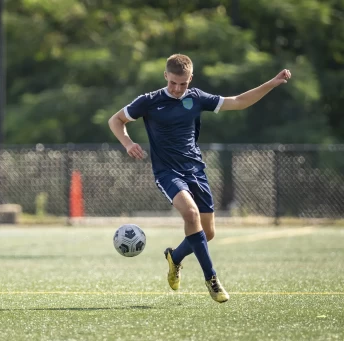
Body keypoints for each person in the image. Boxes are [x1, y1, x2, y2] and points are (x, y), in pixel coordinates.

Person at [108, 54, 291, 303]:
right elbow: (115, 120)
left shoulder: (196, 98)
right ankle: (212, 279)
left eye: (182, 84)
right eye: (173, 82)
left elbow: (238, 101)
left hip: (196, 171)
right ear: (165, 76)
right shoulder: (149, 101)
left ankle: (175, 257)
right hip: (167, 172)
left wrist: (271, 83)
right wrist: (128, 143)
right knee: (191, 215)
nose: (177, 88)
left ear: (190, 79)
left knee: (207, 232)